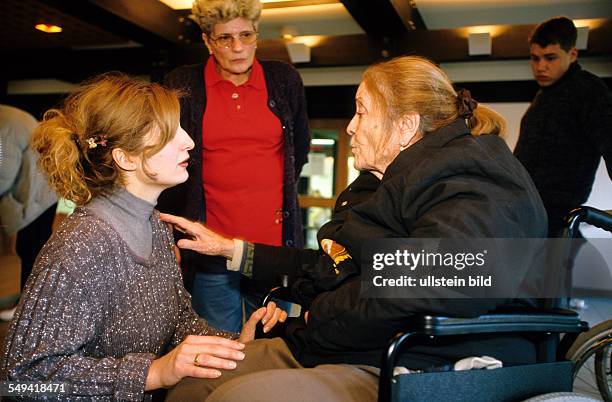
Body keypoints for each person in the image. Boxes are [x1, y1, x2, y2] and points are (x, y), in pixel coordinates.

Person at [161, 55, 548, 402]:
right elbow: (335, 264)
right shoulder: (383, 181)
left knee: (238, 398)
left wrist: (319, 315)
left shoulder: (470, 173)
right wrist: (234, 251)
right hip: (340, 342)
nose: (350, 127)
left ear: (404, 126)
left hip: (410, 360)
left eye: (361, 112)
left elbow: (440, 274)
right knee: (192, 386)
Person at [0, 73, 286, 401]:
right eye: (169, 134)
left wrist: (235, 343)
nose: (189, 141)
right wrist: (153, 372)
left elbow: (178, 323)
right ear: (126, 158)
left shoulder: (153, 224)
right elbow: (21, 378)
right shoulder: (79, 248)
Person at [157, 0, 311, 333]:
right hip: (211, 251)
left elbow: (298, 152)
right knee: (217, 349)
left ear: (257, 34)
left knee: (276, 348)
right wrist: (169, 235)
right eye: (225, 38)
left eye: (246, 34)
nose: (238, 47)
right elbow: (168, 164)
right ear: (208, 41)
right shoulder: (183, 84)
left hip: (272, 253)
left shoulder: (284, 79)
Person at [514, 16, 612, 236]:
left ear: (572, 54)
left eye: (550, 57)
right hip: (524, 210)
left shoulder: (589, 90)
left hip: (558, 217)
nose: (541, 67)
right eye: (535, 58)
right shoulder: (544, 95)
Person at [0, 105, 58, 322]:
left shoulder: (5, 123)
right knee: (31, 249)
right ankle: (29, 301)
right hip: (41, 193)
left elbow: (3, 171)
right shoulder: (10, 116)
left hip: (35, 197)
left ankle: (29, 307)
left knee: (31, 249)